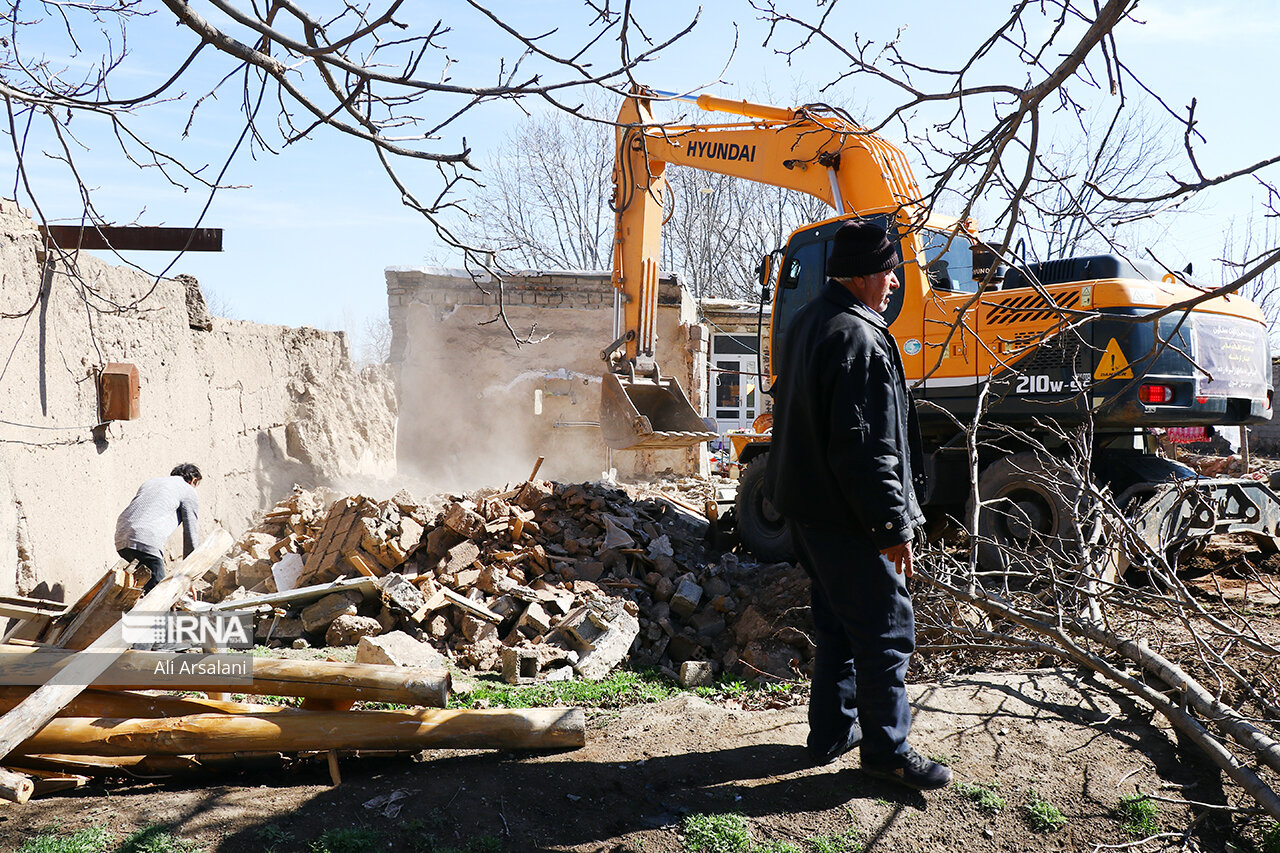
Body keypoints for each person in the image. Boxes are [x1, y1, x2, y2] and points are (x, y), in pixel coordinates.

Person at [766, 219, 951, 790]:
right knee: (886, 631)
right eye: (891, 272)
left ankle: (831, 733)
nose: (895, 282)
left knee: (840, 628)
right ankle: (887, 753)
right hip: (848, 517)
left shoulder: (807, 322)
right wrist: (891, 526)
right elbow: (866, 448)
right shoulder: (859, 337)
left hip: (809, 510)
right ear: (869, 275)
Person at [115, 463, 202, 592]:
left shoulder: (151, 482)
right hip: (146, 540)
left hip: (121, 539)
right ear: (194, 480)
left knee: (145, 588)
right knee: (159, 596)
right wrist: (189, 576)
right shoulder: (188, 490)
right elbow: (191, 535)